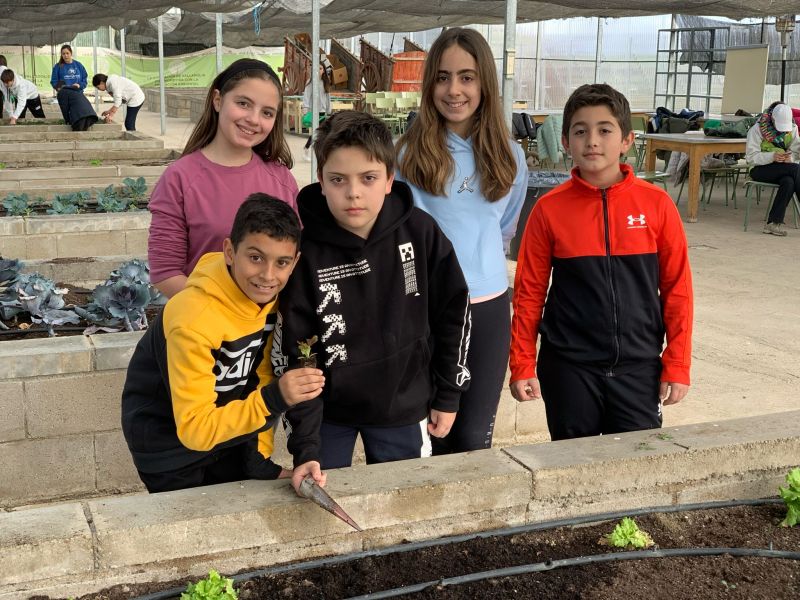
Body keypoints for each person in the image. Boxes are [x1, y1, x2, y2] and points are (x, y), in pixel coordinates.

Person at [271, 110, 471, 479]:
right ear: (320, 181)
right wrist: (306, 444)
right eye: (338, 179)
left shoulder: (420, 232)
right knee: (321, 496)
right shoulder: (305, 252)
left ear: (390, 179)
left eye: (368, 178)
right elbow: (298, 354)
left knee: (404, 498)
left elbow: (453, 313)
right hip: (328, 414)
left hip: (402, 405)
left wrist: (448, 393)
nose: (353, 193)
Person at [509, 83, 694, 441]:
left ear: (626, 140)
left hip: (639, 367)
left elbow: (678, 291)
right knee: (574, 463)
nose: (592, 141)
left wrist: (677, 362)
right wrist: (522, 362)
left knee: (637, 463)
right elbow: (528, 293)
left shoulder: (657, 205)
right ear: (566, 142)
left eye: (604, 130)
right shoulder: (548, 210)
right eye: (580, 131)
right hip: (569, 369)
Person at [122, 194, 326, 494]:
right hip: (169, 450)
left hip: (228, 439)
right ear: (230, 252)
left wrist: (257, 457)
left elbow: (261, 376)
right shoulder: (193, 317)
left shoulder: (270, 298)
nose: (267, 275)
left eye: (281, 262)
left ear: (294, 262)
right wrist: (274, 399)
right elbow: (195, 431)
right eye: (255, 258)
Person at [395, 27, 527, 455]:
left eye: (467, 77)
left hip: (488, 309)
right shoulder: (405, 155)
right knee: (431, 435)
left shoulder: (510, 156)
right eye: (443, 77)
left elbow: (503, 228)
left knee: (472, 438)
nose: (454, 90)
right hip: (427, 310)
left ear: (484, 82)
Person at [147, 58, 298, 299]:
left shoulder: (282, 179)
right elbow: (166, 273)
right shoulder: (180, 178)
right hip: (203, 317)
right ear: (218, 100)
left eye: (267, 112)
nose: (254, 119)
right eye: (243, 104)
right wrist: (227, 311)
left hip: (269, 320)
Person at [745, 101, 800, 237]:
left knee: (789, 181)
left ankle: (773, 224)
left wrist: (790, 158)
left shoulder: (792, 128)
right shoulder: (757, 130)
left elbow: (796, 152)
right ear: (772, 119)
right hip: (759, 169)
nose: (783, 130)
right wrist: (772, 156)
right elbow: (751, 158)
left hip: (783, 167)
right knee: (795, 170)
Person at [301, 63, 332, 161]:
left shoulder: (325, 82)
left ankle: (310, 149)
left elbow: (328, 97)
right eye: (317, 68)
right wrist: (305, 108)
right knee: (316, 132)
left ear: (323, 70)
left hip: (322, 111)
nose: (319, 70)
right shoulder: (310, 82)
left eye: (321, 68)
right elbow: (306, 95)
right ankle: (308, 149)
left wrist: (329, 109)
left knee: (320, 133)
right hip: (313, 111)